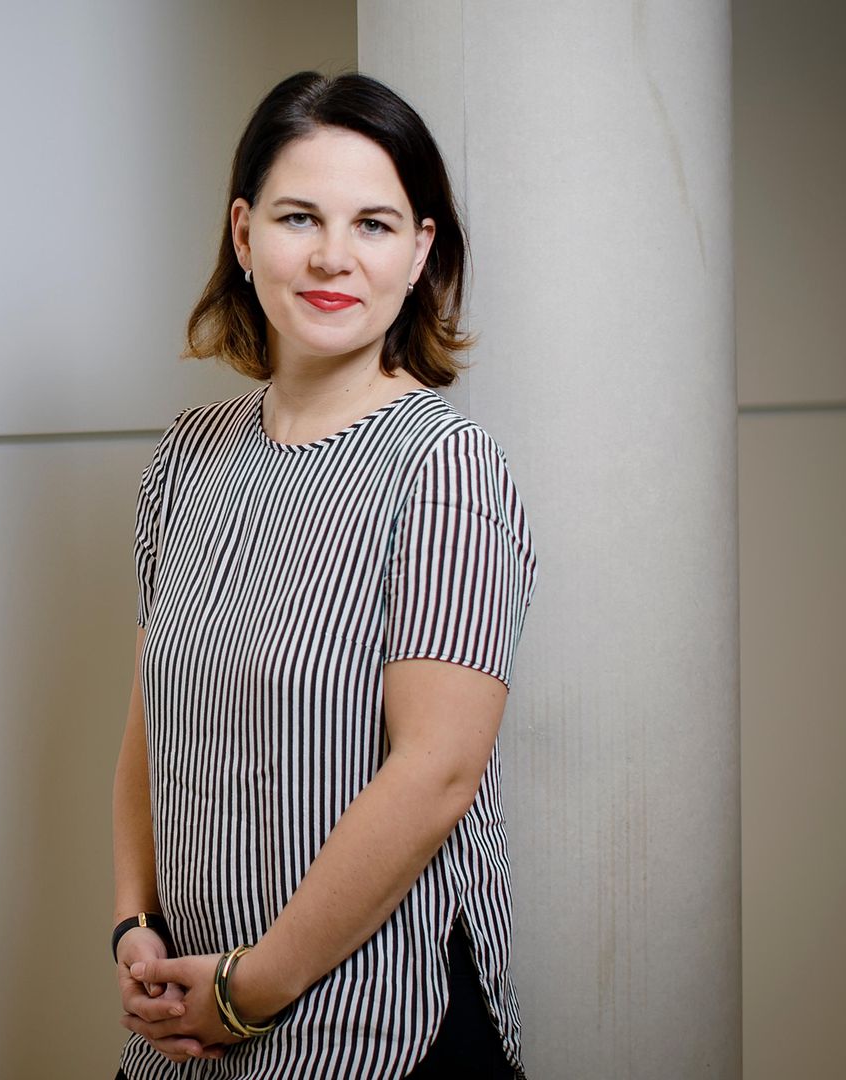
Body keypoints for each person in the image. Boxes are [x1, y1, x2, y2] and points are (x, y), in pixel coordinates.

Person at [109, 71, 539, 1079]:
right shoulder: (186, 459)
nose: (334, 256)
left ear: (421, 251)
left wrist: (247, 991)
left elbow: (435, 776)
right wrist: (131, 926)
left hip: (377, 1035)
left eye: (376, 224)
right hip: (184, 1034)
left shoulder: (445, 468)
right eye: (301, 216)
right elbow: (147, 734)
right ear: (245, 232)